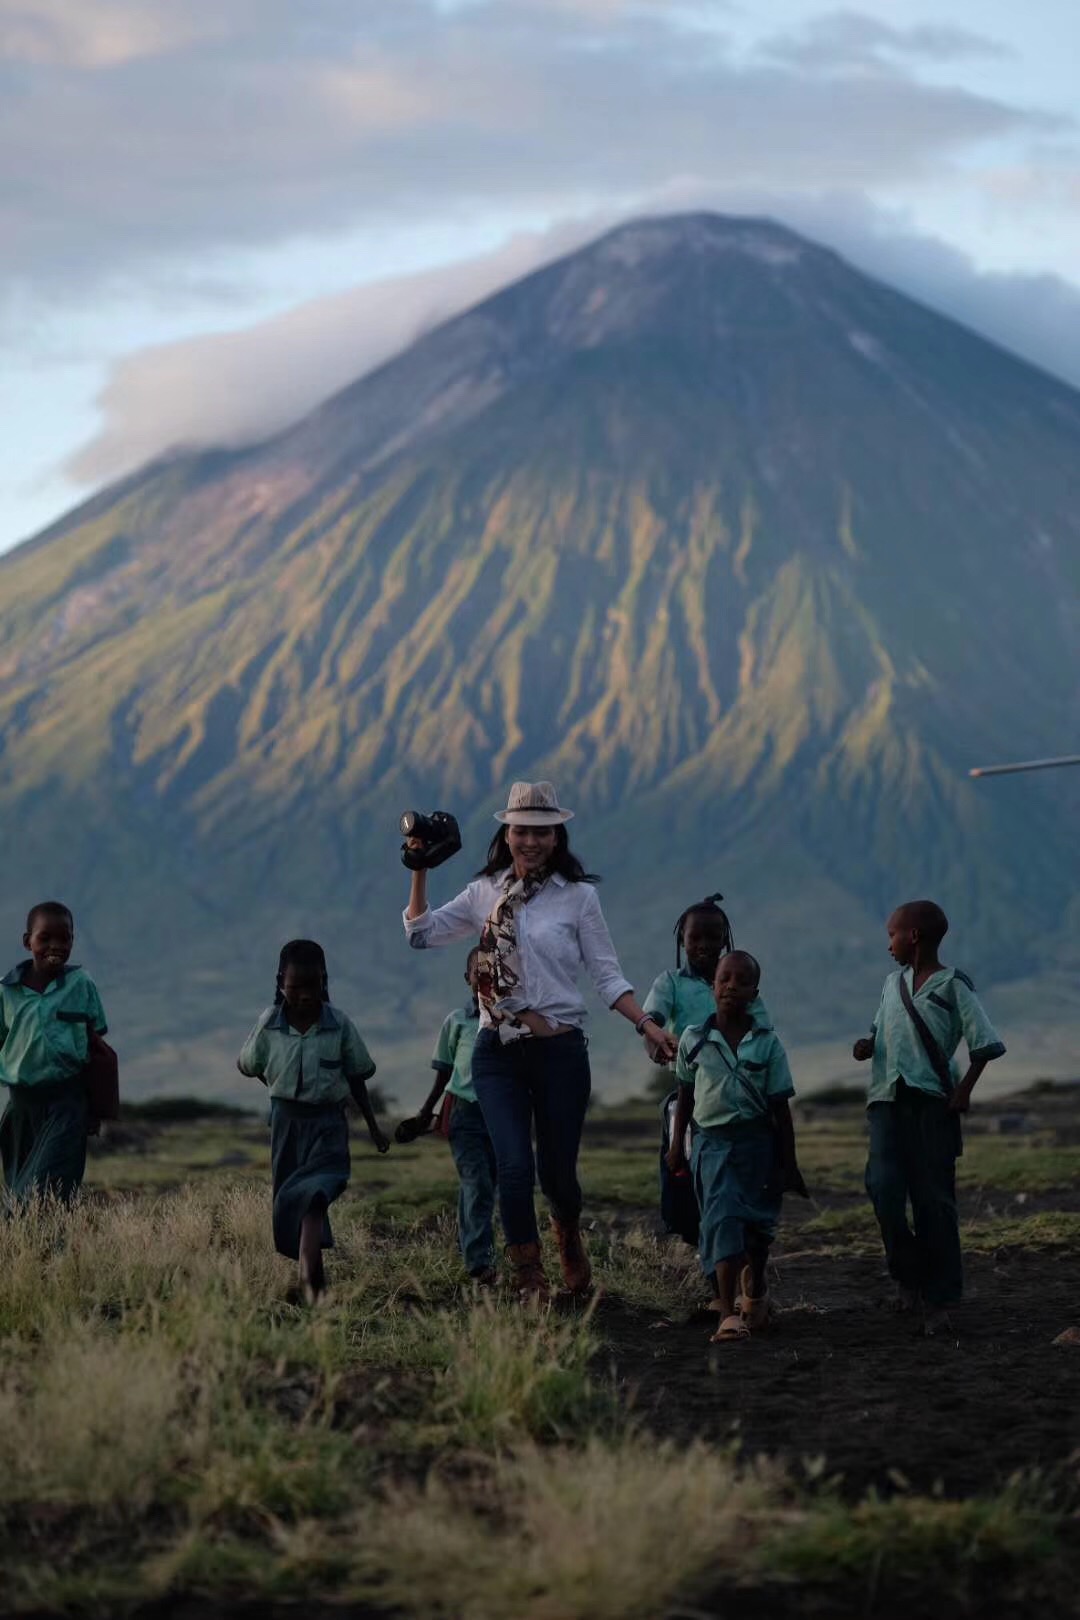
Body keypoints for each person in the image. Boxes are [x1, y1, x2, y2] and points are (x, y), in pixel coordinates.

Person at [404, 781, 678, 1304]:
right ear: (506, 835)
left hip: (559, 1051)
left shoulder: (579, 898)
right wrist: (418, 866)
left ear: (557, 837)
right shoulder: (484, 891)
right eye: (520, 830)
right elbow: (420, 934)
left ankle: (567, 1233)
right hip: (497, 1050)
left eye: (541, 832)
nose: (529, 840)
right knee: (512, 1165)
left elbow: (606, 976)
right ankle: (529, 1273)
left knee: (557, 1174)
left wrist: (645, 1023)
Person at [853, 900, 1005, 1333]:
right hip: (886, 1101)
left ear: (913, 937)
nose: (888, 946)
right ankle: (908, 1275)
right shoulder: (890, 984)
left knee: (934, 1202)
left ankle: (941, 1301)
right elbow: (879, 1032)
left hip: (932, 1104)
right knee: (883, 1190)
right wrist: (866, 1046)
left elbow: (985, 1042)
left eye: (892, 936)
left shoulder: (954, 985)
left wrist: (964, 1091)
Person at [237, 939, 390, 1302]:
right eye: (295, 987)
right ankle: (312, 1275)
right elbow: (249, 1064)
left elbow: (357, 1076)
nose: (305, 996)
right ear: (279, 983)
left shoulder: (339, 1026)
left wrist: (372, 1126)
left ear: (325, 981)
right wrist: (279, 1087)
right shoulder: (269, 1025)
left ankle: (308, 1276)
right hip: (287, 1125)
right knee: (293, 1199)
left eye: (313, 986)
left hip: (328, 1124)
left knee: (317, 1194)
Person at [666, 951, 807, 1343]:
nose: (731, 986)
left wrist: (788, 1164)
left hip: (757, 1147)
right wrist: (677, 1146)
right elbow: (685, 1094)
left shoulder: (768, 1045)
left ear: (754, 993)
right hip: (712, 1146)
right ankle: (727, 1315)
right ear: (713, 987)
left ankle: (756, 1288)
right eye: (724, 979)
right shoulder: (693, 1040)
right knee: (722, 1220)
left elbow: (781, 1109)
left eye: (741, 981)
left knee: (757, 1232)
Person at [397, 947, 499, 1287]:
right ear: (467, 977)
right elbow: (443, 1073)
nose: (484, 976)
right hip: (464, 1114)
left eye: (492, 969)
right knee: (478, 1183)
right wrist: (426, 1112)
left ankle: (468, 1245)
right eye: (477, 971)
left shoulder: (513, 1019)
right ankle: (479, 1262)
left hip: (500, 1115)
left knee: (487, 1183)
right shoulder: (457, 1021)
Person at [0, 901, 108, 1206]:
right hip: (20, 1107)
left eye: (65, 939)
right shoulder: (6, 992)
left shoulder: (81, 984)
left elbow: (94, 1044)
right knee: (19, 1187)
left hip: (66, 1104)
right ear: (27, 942)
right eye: (45, 938)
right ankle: (29, 1251)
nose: (55, 946)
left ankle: (48, 1247)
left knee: (48, 1187)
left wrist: (96, 1109)